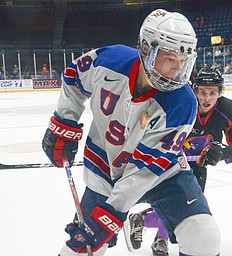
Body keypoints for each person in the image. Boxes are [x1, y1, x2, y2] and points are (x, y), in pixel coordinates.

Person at [42, 9, 221, 256]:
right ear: (147, 49)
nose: (177, 69)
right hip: (104, 169)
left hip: (163, 175)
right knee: (82, 248)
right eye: (170, 58)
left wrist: (110, 214)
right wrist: (64, 123)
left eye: (183, 61)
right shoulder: (110, 61)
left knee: (204, 236)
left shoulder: (182, 103)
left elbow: (143, 171)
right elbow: (74, 75)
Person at [128, 68, 232, 256]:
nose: (207, 98)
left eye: (213, 93)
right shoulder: (182, 104)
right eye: (202, 92)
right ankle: (154, 231)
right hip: (167, 164)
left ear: (220, 93)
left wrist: (221, 152)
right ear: (194, 90)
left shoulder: (228, 109)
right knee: (171, 204)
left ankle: (147, 225)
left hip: (196, 167)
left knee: (189, 211)